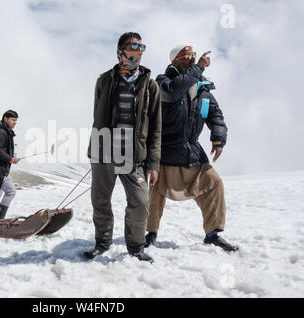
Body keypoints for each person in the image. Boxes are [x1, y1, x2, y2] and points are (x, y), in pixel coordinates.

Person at [145, 45, 238, 252]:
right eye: (185, 56)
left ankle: (212, 235)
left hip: (191, 152)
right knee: (154, 193)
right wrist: (198, 68)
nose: (191, 58)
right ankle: (150, 234)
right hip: (164, 151)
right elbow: (172, 92)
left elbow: (216, 116)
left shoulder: (203, 89)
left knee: (214, 183)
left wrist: (218, 138)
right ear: (174, 61)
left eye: (193, 56)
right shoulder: (162, 81)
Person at [84, 32, 162, 263]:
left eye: (141, 47)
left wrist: (153, 163)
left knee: (139, 202)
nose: (137, 51)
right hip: (104, 152)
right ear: (120, 51)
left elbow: (156, 127)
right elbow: (97, 115)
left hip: (134, 156)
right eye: (133, 46)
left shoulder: (150, 86)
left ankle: (136, 247)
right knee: (100, 200)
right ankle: (102, 243)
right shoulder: (104, 80)